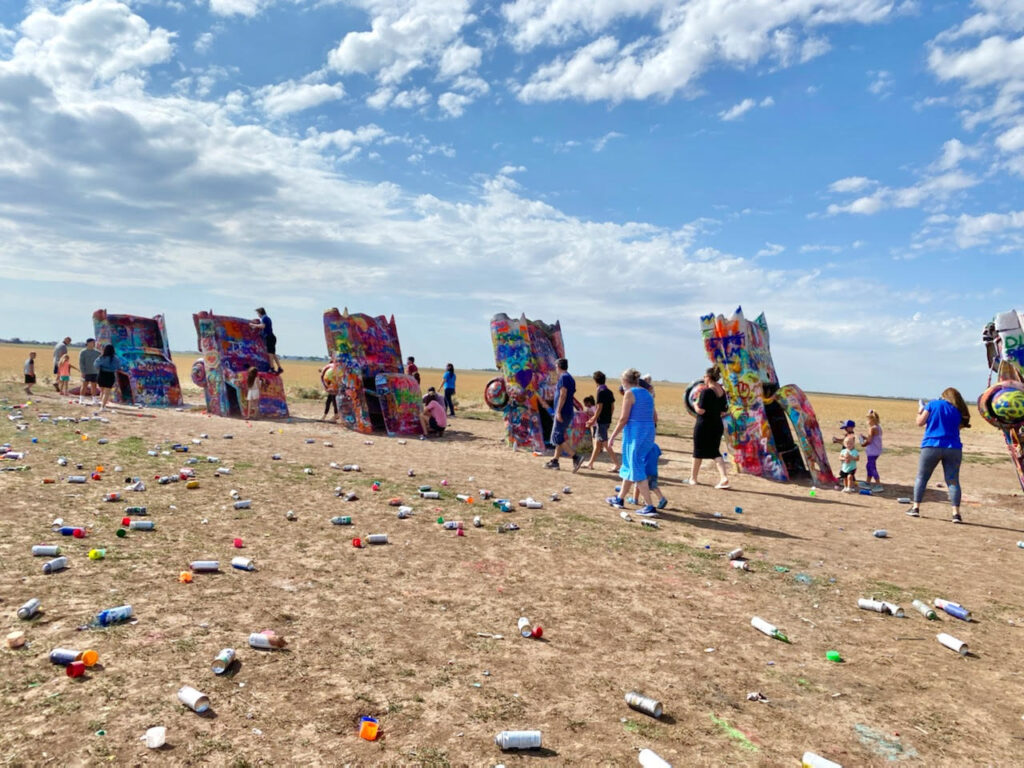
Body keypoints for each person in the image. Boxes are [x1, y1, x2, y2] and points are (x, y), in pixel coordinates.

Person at [908, 388, 971, 523]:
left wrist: (920, 411)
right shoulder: (959, 410)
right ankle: (956, 514)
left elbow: (920, 422)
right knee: (953, 481)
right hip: (953, 448)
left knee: (922, 477)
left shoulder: (933, 404)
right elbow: (957, 428)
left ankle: (915, 508)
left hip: (931, 445)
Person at [606, 368, 658, 516]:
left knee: (636, 468)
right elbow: (654, 417)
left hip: (636, 434)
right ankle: (619, 499)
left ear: (624, 381)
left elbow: (624, 418)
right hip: (648, 433)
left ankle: (649, 506)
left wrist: (613, 436)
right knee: (629, 466)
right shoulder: (648, 394)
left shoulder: (630, 393)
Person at [689, 367, 730, 488]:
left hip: (704, 425)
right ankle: (724, 477)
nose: (703, 378)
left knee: (698, 451)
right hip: (717, 424)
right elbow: (723, 412)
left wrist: (695, 404)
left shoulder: (706, 392)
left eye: (704, 376)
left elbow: (701, 411)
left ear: (709, 377)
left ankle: (693, 478)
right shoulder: (722, 391)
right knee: (715, 452)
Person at [544, 358, 582, 472]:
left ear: (559, 366)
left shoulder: (564, 378)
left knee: (557, 437)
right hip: (567, 411)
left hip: (563, 412)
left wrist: (558, 411)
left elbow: (563, 395)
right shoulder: (570, 378)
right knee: (559, 436)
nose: (555, 369)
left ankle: (576, 457)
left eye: (556, 367)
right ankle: (555, 461)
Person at [585, 371, 619, 471]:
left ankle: (617, 464)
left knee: (604, 443)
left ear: (596, 381)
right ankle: (590, 463)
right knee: (597, 443)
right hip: (606, 420)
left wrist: (592, 420)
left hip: (601, 421)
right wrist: (609, 418)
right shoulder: (609, 392)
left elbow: (599, 408)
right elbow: (612, 407)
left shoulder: (600, 391)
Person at [251, 308, 282, 374]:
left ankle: (272, 368)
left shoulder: (264, 318)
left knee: (270, 354)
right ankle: (279, 368)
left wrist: (254, 325)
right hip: (272, 337)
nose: (258, 315)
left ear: (260, 313)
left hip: (269, 337)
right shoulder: (267, 318)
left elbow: (263, 326)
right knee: (273, 354)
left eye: (258, 313)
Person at [94, 344, 122, 411]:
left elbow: (95, 365)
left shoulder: (101, 357)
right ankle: (103, 406)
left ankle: (101, 404)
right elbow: (118, 367)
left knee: (102, 391)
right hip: (110, 375)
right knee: (107, 392)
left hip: (101, 374)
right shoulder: (115, 358)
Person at [860, 410, 883, 485]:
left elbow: (869, 441)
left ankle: (878, 484)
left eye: (868, 419)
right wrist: (865, 437)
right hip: (877, 450)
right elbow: (873, 439)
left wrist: (863, 444)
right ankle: (867, 482)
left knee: (872, 467)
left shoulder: (872, 428)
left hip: (872, 451)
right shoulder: (878, 427)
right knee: (869, 466)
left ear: (871, 419)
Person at [645, 442, 668, 510]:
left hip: (645, 470)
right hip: (654, 470)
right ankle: (662, 498)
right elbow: (658, 454)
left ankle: (635, 499)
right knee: (654, 486)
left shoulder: (642, 445)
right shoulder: (655, 445)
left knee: (640, 485)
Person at [78, 338, 101, 405]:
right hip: (86, 372)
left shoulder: (97, 352)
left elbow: (102, 356)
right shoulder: (83, 352)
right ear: (88, 343)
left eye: (94, 343)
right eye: (93, 342)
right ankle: (81, 399)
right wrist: (82, 372)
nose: (94, 344)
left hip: (95, 372)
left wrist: (100, 349)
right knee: (84, 385)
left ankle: (94, 399)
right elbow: (81, 363)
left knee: (94, 386)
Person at [319, 356, 341, 421]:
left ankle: (334, 415)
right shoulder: (333, 368)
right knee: (330, 401)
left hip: (333, 387)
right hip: (332, 386)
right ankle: (326, 415)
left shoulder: (334, 368)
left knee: (332, 401)